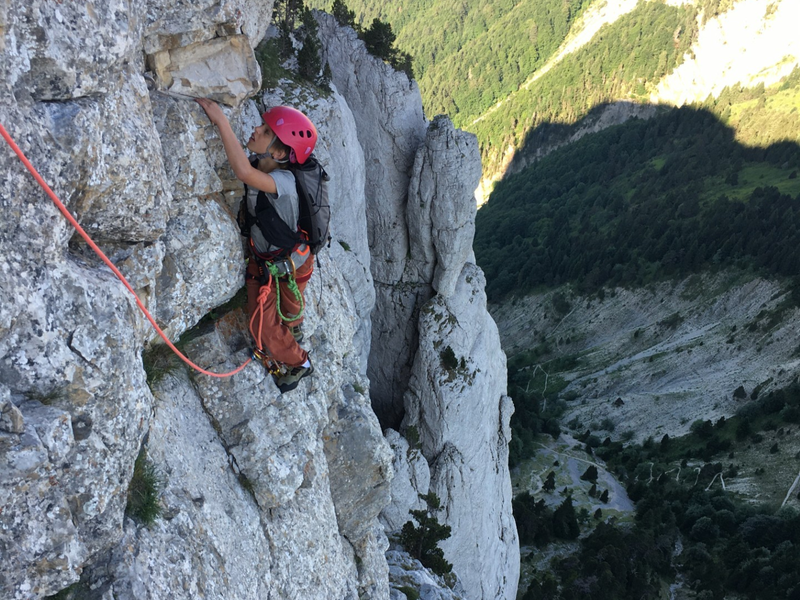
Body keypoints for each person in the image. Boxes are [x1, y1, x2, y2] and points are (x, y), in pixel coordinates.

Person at [196, 98, 316, 393]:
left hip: (288, 262)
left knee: (264, 324)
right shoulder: (262, 162)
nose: (256, 128)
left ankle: (299, 363)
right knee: (285, 302)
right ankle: (292, 325)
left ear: (278, 151)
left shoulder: (284, 183)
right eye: (262, 124)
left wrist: (221, 121)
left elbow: (244, 174)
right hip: (277, 259)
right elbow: (247, 166)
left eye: (264, 130)